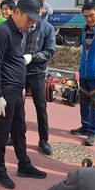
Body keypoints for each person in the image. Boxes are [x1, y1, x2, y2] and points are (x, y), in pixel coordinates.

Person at [0, 0, 47, 189]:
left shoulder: (20, 32)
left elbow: (15, 60)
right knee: (2, 132)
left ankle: (24, 165)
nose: (31, 24)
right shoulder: (3, 32)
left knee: (19, 131)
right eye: (29, 19)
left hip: (16, 91)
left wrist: (21, 87)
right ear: (16, 12)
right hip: (4, 91)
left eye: (34, 20)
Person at [70, 2, 95, 146]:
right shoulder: (84, 29)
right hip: (84, 72)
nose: (89, 19)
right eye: (86, 16)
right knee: (83, 103)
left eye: (92, 15)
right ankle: (85, 126)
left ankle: (93, 132)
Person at [24, 17, 56, 155]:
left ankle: (43, 140)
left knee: (41, 107)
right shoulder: (21, 24)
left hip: (38, 72)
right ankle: (15, 135)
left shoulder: (47, 28)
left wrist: (33, 57)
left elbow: (50, 51)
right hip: (20, 71)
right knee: (17, 105)